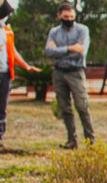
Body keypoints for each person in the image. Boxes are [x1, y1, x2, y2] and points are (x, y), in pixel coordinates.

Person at [44, 2, 93, 150]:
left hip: (76, 72)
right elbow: (48, 52)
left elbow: (81, 52)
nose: (69, 19)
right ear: (59, 16)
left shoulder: (82, 30)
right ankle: (72, 140)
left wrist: (59, 51)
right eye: (66, 16)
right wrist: (70, 48)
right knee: (65, 108)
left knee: (82, 106)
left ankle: (90, 140)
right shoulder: (54, 32)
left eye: (72, 16)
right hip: (59, 73)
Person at [1, 1, 41, 152]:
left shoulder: (7, 31)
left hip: (5, 73)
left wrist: (26, 66)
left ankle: (0, 138)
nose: (7, 17)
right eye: (6, 14)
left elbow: (13, 52)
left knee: (2, 107)